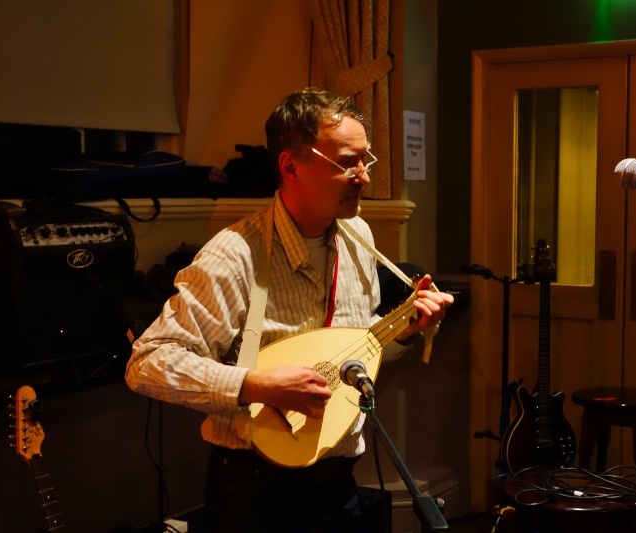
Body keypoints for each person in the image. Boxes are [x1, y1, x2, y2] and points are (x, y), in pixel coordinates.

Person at [125, 87, 454, 532]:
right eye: (346, 162)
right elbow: (148, 363)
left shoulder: (358, 235)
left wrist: (404, 330)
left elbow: (356, 349)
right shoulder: (233, 256)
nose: (363, 177)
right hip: (255, 492)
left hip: (339, 484)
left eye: (365, 160)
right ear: (290, 166)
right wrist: (256, 385)